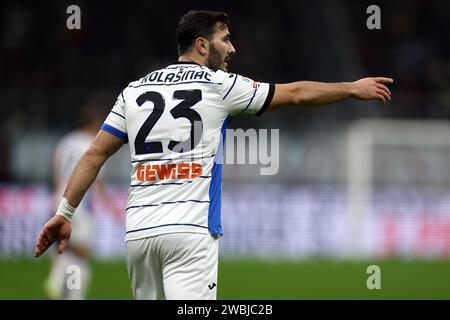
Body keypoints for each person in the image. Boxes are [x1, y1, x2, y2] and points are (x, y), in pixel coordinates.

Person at [34, 10, 393, 300]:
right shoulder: (218, 85)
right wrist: (351, 88)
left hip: (139, 234)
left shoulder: (134, 91)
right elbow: (296, 93)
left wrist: (64, 212)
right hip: (189, 232)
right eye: (226, 39)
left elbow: (94, 154)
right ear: (203, 45)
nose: (233, 48)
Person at [43, 102, 121, 300]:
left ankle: (60, 280)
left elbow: (55, 173)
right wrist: (110, 205)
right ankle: (66, 287)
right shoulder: (91, 143)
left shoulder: (65, 142)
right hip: (79, 204)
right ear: (95, 122)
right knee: (83, 252)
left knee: (66, 246)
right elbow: (97, 180)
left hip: (58, 200)